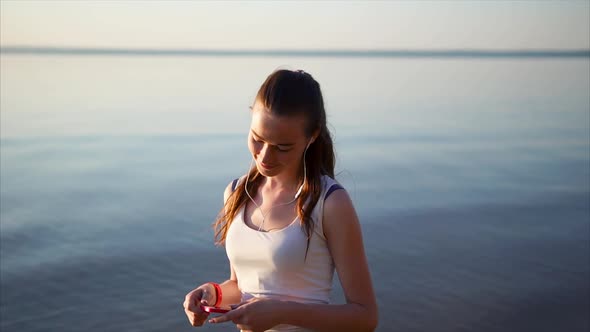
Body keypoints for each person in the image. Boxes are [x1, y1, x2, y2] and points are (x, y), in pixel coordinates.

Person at [183, 69, 378, 331]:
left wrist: (283, 313)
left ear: (312, 136)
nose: (264, 156)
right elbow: (242, 287)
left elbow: (365, 317)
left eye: (282, 147)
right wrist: (212, 293)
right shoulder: (237, 193)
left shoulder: (329, 203)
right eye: (257, 139)